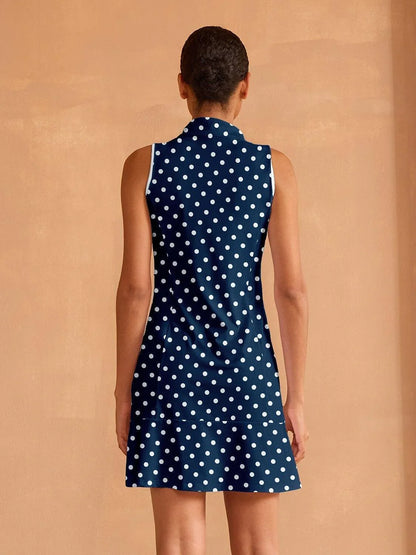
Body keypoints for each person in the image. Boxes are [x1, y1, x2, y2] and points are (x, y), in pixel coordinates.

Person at [115, 25, 309, 555]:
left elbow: (135, 289)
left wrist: (124, 392)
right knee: (258, 548)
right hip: (248, 369)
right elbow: (291, 291)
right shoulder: (273, 169)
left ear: (182, 85)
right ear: (245, 86)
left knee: (179, 547)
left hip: (171, 369)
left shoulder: (146, 166)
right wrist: (294, 396)